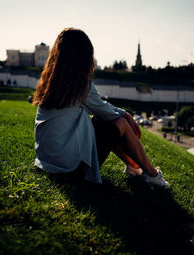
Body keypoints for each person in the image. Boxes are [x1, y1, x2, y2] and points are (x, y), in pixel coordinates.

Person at [33, 27, 169, 188]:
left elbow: (101, 109)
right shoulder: (80, 85)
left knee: (102, 121)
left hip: (46, 162)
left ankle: (134, 167)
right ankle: (152, 174)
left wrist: (122, 113)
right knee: (119, 124)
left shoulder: (51, 82)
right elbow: (106, 112)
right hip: (69, 169)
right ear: (83, 56)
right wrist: (126, 115)